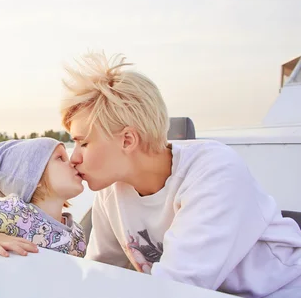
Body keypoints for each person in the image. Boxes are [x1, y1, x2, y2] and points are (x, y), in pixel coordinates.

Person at [57, 51, 301, 297]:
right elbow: (103, 273)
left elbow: (176, 289)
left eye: (84, 143)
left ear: (128, 140)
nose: (74, 157)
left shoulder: (214, 173)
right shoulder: (112, 189)